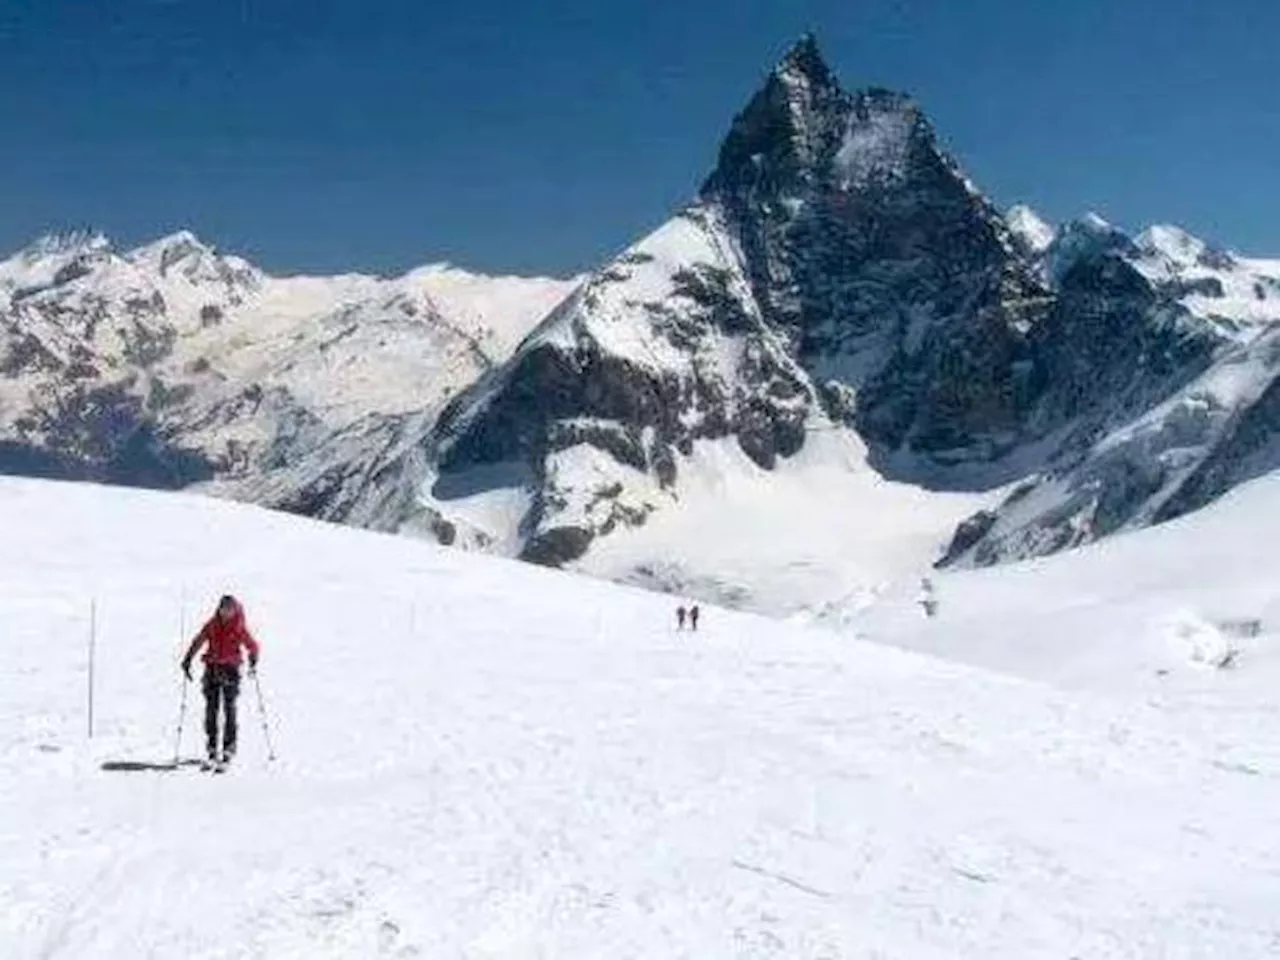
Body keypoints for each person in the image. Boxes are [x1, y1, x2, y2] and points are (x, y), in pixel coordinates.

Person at [181, 594, 260, 765]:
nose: (225, 613)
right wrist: (188, 658)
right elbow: (199, 640)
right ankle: (211, 747)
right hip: (212, 669)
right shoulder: (212, 624)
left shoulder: (239, 627)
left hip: (231, 670)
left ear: (234, 610)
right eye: (223, 609)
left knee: (229, 709)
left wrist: (253, 658)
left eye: (229, 610)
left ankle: (229, 748)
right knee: (212, 709)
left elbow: (253, 645)